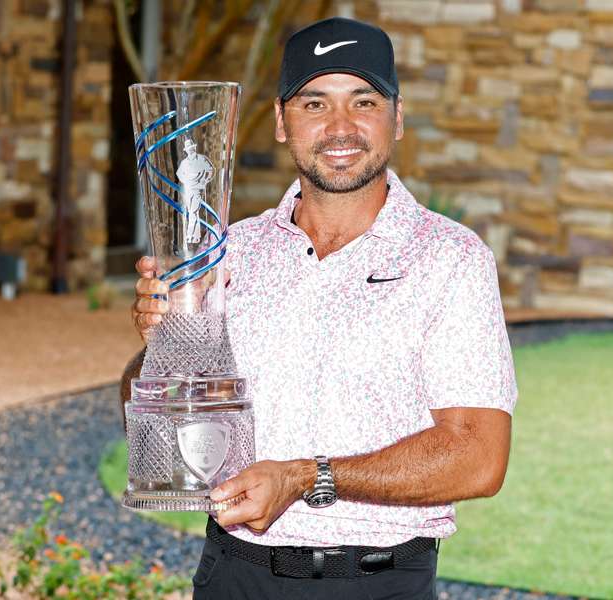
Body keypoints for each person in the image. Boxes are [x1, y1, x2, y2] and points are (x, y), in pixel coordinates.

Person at [125, 16, 518, 600]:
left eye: (363, 101)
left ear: (397, 118)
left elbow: (478, 457)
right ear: (282, 123)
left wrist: (307, 478)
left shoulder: (451, 260)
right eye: (314, 103)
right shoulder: (227, 251)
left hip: (377, 585)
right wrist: (162, 343)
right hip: (232, 575)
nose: (341, 127)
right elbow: (163, 441)